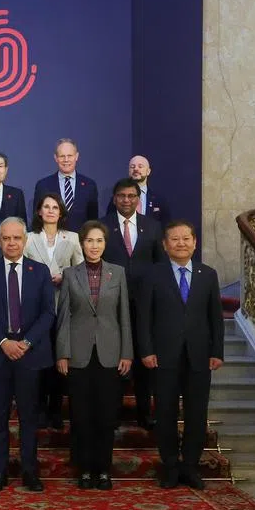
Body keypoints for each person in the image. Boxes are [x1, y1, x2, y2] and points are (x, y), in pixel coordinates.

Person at [137, 220, 224, 490]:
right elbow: (143, 317)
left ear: (195, 242)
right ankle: (171, 466)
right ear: (165, 245)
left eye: (186, 238)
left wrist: (216, 351)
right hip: (163, 356)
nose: (181, 243)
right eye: (175, 239)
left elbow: (215, 318)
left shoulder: (208, 274)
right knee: (165, 413)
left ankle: (191, 467)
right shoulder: (153, 274)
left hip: (199, 356)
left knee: (197, 414)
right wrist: (146, 350)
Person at [0, 217, 55, 493]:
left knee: (29, 418)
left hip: (30, 357)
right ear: (0, 241)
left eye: (16, 238)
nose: (11, 243)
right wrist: (3, 342)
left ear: (25, 240)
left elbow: (48, 313)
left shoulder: (40, 271)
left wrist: (27, 342)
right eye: (6, 238)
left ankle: (29, 472)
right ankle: (0, 473)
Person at [56, 221, 132, 490]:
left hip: (111, 355)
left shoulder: (118, 273)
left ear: (105, 244)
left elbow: (124, 317)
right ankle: (85, 469)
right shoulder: (70, 274)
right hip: (78, 355)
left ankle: (103, 470)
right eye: (89, 241)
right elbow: (64, 317)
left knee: (106, 416)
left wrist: (127, 353)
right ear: (82, 243)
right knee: (81, 416)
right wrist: (62, 353)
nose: (94, 246)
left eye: (99, 241)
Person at [102, 178, 165, 430]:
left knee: (143, 360)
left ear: (138, 199)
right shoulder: (103, 226)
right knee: (114, 358)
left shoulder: (153, 227)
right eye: (121, 196)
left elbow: (160, 266)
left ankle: (144, 412)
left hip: (145, 303)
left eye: (131, 196)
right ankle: (113, 413)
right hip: (111, 303)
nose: (126, 200)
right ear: (114, 198)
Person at [25, 193, 84, 430]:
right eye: (46, 207)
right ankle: (38, 409)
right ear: (39, 211)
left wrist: (65, 276)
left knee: (60, 361)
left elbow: (80, 270)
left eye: (55, 207)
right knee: (40, 361)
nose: (50, 211)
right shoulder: (28, 238)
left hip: (63, 306)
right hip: (36, 308)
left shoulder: (73, 238)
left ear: (61, 212)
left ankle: (55, 410)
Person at [32, 138, 99, 230]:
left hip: (79, 241)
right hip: (51, 241)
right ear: (56, 158)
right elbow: (37, 220)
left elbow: (93, 221)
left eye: (70, 156)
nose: (66, 160)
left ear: (77, 156)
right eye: (62, 156)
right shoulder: (43, 185)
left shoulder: (89, 185)